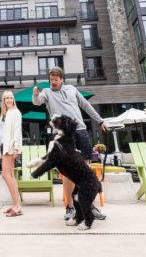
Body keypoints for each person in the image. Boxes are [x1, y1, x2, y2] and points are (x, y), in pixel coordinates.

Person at [33, 66, 108, 222]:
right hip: (63, 136)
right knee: (67, 172)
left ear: (61, 79)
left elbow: (86, 106)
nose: (52, 82)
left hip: (80, 131)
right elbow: (37, 102)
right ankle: (70, 207)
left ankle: (88, 206)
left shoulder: (72, 89)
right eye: (51, 79)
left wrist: (100, 120)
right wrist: (35, 95)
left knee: (85, 172)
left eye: (55, 79)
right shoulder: (46, 92)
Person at [0, 90, 23, 217]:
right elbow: (1, 133)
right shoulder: (4, 114)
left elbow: (17, 131)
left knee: (5, 174)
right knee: (10, 175)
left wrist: (16, 148)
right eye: (6, 98)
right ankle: (16, 205)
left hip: (10, 147)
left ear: (13, 100)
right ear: (3, 100)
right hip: (3, 147)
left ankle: (17, 205)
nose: (8, 100)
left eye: (10, 98)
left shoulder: (16, 113)